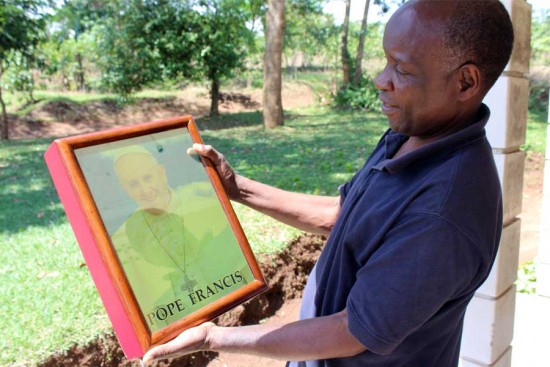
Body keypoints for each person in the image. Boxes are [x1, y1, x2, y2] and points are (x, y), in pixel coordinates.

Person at [142, 0, 513, 365]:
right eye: (386, 61)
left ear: (465, 82)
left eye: (401, 68)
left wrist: (214, 337)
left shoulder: (445, 213)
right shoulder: (412, 135)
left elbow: (349, 332)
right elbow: (342, 216)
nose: (380, 81)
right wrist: (237, 188)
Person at [110, 146, 254, 333]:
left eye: (147, 178)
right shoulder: (124, 237)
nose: (144, 189)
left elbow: (242, 272)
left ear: (161, 173)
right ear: (125, 188)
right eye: (134, 184)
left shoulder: (204, 206)